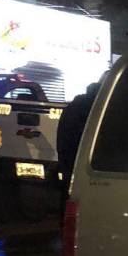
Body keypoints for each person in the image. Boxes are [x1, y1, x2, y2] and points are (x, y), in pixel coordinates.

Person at [56, 80, 101, 209]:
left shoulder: (72, 107)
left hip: (67, 157)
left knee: (68, 195)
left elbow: (63, 133)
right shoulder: (93, 109)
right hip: (82, 159)